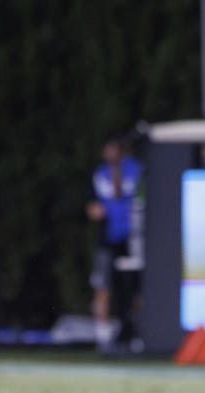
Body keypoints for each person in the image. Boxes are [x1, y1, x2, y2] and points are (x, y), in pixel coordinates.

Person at [86, 135, 141, 352]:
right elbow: (91, 207)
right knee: (103, 285)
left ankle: (138, 334)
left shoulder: (136, 169)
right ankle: (103, 337)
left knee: (137, 287)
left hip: (134, 236)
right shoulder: (100, 173)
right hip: (107, 238)